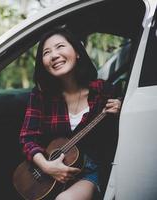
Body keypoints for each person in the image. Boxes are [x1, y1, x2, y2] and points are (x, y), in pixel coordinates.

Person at [19, 26, 121, 200]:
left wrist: (121, 110)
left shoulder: (103, 90)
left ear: (77, 52)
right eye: (46, 52)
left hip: (89, 171)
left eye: (60, 46)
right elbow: (27, 137)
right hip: (47, 172)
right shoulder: (40, 96)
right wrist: (46, 166)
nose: (54, 55)